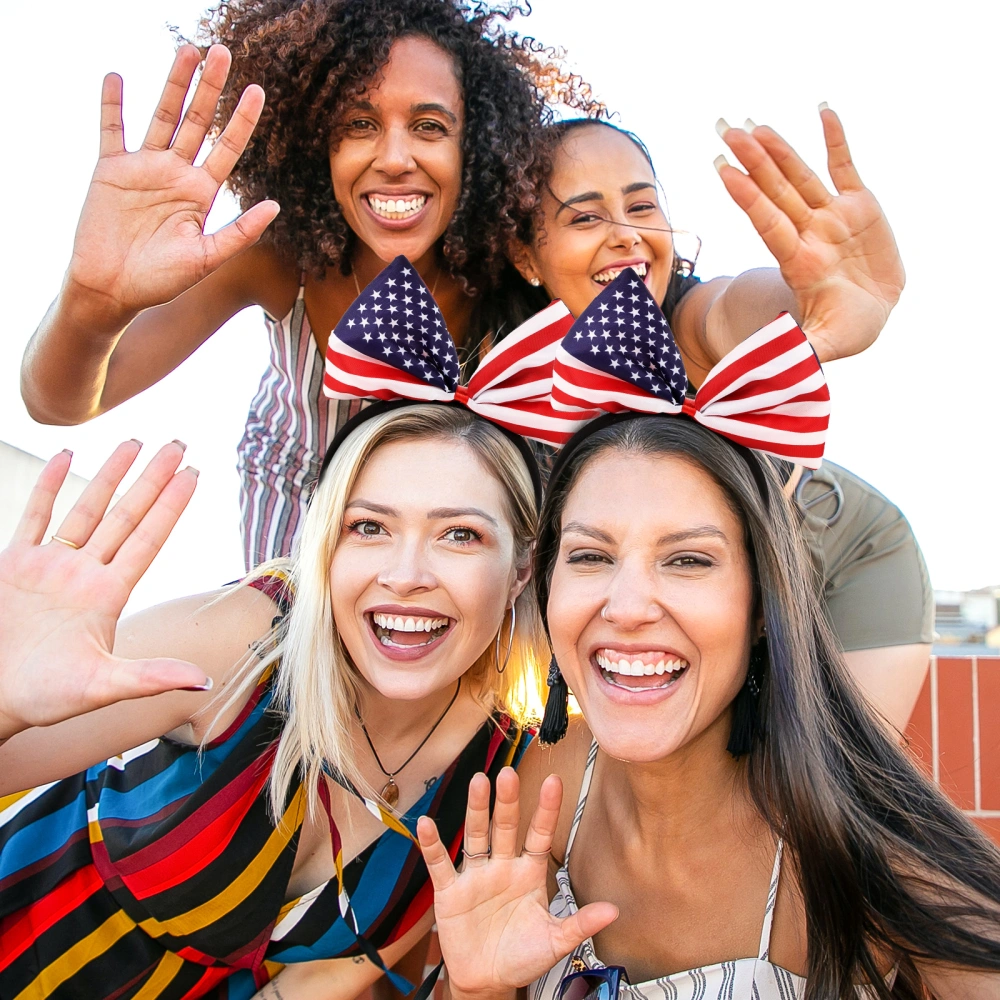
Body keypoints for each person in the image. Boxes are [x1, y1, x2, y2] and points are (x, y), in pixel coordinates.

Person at [416, 275, 1000, 1000]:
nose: (626, 606)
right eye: (592, 555)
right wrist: (476, 989)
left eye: (688, 560)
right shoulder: (549, 784)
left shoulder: (883, 867)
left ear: (763, 606)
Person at [0, 261, 561, 998]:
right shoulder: (252, 637)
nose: (406, 573)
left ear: (521, 569)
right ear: (326, 545)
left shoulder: (502, 776)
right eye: (369, 528)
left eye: (460, 536)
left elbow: (319, 981)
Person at [19, 0, 596, 570]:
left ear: (474, 150)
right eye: (358, 125)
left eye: (429, 126)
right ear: (316, 143)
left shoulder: (513, 279)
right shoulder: (277, 261)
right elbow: (59, 402)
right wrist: (91, 300)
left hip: (463, 528)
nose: (395, 158)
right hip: (301, 514)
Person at [504, 109, 931, 730]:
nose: (626, 234)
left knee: (829, 800)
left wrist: (807, 302)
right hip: (708, 589)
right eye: (585, 216)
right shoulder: (503, 373)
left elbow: (735, 308)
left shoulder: (686, 319)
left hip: (842, 549)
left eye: (642, 207)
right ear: (526, 256)